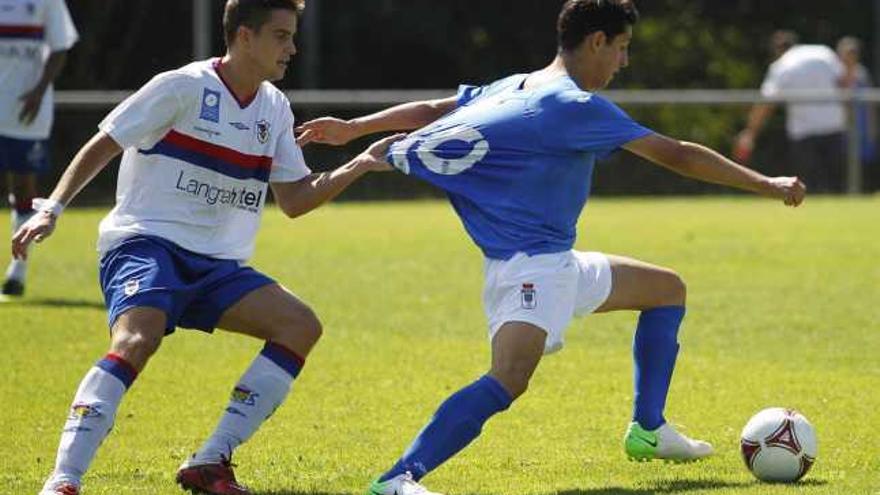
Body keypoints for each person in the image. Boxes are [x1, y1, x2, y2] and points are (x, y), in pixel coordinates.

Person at [296, 1, 806, 494]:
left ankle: (648, 430)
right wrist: (768, 183)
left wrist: (356, 128)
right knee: (509, 378)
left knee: (666, 290)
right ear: (596, 41)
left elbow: (437, 109)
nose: (624, 62)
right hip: (528, 271)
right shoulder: (572, 105)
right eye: (622, 47)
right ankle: (398, 478)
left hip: (558, 262)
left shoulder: (516, 84)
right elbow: (676, 154)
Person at [13, 1, 397, 494]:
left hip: (218, 265)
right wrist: (53, 207)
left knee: (299, 325)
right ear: (244, 36)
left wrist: (360, 163)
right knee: (138, 338)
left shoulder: (274, 107)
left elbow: (296, 200)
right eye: (280, 36)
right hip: (146, 243)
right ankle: (63, 480)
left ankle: (210, 461)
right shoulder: (183, 86)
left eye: (292, 36)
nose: (292, 48)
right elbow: (104, 142)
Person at [0, 0, 78, 297]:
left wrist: (38, 90)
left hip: (25, 111)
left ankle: (17, 272)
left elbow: (60, 47)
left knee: (23, 187)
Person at [734, 30, 846, 193]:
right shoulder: (824, 52)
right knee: (837, 186)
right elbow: (845, 81)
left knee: (810, 188)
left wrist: (750, 133)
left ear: (777, 50)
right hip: (834, 125)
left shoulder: (782, 65)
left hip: (804, 132)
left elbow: (766, 102)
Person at [837, 36, 878, 191]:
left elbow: (870, 106)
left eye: (853, 52)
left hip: (862, 127)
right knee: (844, 163)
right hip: (843, 127)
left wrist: (872, 128)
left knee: (864, 164)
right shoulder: (836, 73)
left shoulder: (862, 74)